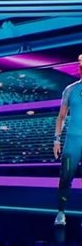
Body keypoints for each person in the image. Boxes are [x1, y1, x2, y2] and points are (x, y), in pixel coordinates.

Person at [53, 53, 82, 226]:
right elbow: (62, 116)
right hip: (73, 141)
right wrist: (56, 140)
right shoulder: (70, 90)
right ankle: (61, 212)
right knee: (65, 177)